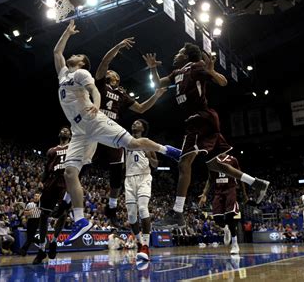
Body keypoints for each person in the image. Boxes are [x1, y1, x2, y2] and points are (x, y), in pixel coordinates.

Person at [52, 20, 181, 244]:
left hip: (95, 121)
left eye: (79, 55)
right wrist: (67, 32)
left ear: (83, 63)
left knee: (132, 145)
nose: (75, 55)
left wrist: (96, 103)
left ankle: (167, 150)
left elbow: (95, 90)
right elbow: (57, 51)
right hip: (79, 130)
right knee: (70, 172)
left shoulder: (82, 74)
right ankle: (81, 219)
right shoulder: (64, 74)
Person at [142, 44, 269, 228]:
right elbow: (160, 83)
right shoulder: (178, 72)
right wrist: (153, 68)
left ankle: (177, 213)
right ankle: (256, 183)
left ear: (186, 56)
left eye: (179, 52)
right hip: (201, 120)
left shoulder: (196, 67)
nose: (176, 54)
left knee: (184, 163)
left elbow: (223, 82)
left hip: (199, 118)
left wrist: (212, 71)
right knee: (215, 164)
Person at [94, 37, 166, 227]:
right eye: (109, 72)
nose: (109, 72)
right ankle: (69, 200)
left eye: (113, 73)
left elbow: (141, 108)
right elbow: (104, 62)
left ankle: (111, 207)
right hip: (95, 127)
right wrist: (117, 46)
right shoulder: (100, 85)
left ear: (117, 79)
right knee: (82, 163)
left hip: (111, 131)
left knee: (117, 168)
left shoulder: (123, 94)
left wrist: (156, 96)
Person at [33, 127, 71, 264]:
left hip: (65, 181)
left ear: (71, 135)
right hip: (51, 182)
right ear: (59, 134)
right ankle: (42, 249)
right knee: (44, 215)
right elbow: (45, 170)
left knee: (63, 212)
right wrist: (41, 182)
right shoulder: (51, 150)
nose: (65, 131)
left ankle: (54, 242)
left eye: (67, 130)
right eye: (63, 130)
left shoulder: (73, 146)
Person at [199, 154, 247, 254]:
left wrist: (244, 194)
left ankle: (235, 244)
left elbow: (240, 176)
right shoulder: (212, 160)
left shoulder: (233, 159)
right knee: (217, 219)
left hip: (230, 189)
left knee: (230, 217)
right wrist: (204, 194)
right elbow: (210, 179)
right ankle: (226, 229)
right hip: (218, 191)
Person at [124, 119, 156, 262]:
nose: (134, 124)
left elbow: (155, 164)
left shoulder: (148, 143)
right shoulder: (126, 141)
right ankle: (140, 243)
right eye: (133, 122)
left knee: (143, 208)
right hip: (129, 178)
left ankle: (146, 246)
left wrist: (149, 156)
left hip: (144, 177)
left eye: (138, 123)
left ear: (143, 128)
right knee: (131, 216)